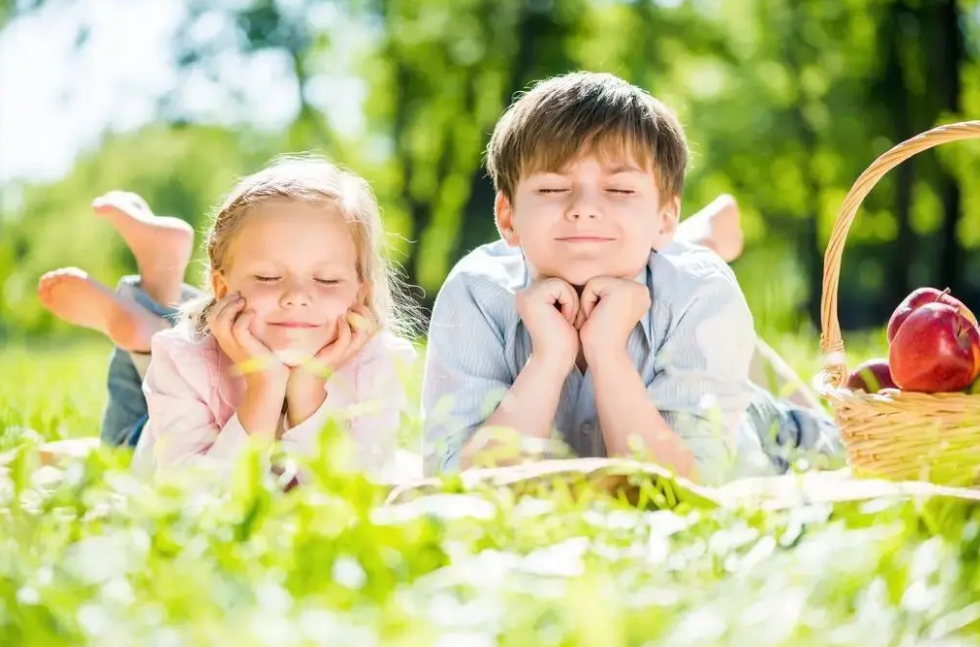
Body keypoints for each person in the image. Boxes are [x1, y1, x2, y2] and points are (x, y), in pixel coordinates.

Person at [420, 71, 840, 485]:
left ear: (664, 218)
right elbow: (457, 484)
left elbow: (682, 488)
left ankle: (699, 250)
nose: (584, 208)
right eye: (551, 189)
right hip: (672, 298)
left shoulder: (700, 290)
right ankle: (700, 238)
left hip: (763, 438)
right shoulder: (475, 292)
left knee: (836, 442)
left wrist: (607, 352)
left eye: (619, 191)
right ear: (507, 218)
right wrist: (549, 358)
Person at [38, 155, 418, 480]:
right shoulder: (183, 357)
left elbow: (347, 494)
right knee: (116, 446)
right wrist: (264, 391)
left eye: (327, 279)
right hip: (147, 443)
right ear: (221, 289)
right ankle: (155, 295)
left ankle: (155, 291)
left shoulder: (377, 364)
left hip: (184, 363)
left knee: (163, 348)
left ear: (360, 294)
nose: (298, 296)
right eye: (269, 277)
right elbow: (195, 500)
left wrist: (308, 392)